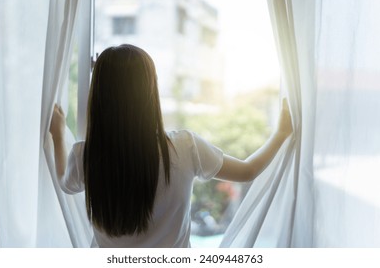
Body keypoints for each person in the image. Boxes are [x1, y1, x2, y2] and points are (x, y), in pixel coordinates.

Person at [50, 44, 293, 248]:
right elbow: (247, 170)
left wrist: (58, 134)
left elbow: (64, 181)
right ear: (149, 91)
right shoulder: (185, 147)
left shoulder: (86, 156)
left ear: (98, 95)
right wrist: (281, 133)